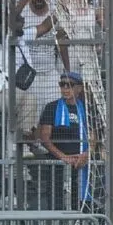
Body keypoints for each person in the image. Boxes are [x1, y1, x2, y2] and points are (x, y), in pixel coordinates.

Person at [36, 71, 90, 209]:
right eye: (62, 85)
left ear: (79, 88)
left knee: (78, 201)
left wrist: (87, 154)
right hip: (58, 163)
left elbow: (94, 135)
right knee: (56, 201)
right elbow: (44, 138)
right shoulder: (51, 107)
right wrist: (63, 157)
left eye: (70, 85)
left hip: (81, 162)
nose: (65, 88)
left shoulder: (87, 108)